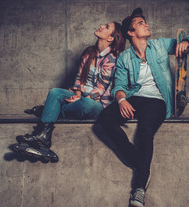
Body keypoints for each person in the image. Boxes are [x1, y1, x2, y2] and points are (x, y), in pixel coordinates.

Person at [97, 8, 189, 207]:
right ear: (130, 32)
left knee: (145, 131)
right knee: (105, 118)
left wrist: (187, 43)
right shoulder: (125, 58)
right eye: (139, 22)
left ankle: (139, 189)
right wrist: (121, 100)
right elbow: (118, 86)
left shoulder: (160, 45)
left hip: (157, 101)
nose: (145, 24)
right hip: (135, 99)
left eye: (144, 21)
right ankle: (137, 160)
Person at [15, 21, 126, 161]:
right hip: (81, 97)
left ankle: (49, 110)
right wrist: (77, 94)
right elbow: (79, 78)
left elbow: (100, 89)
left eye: (107, 27)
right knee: (55, 92)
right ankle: (43, 137)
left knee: (87, 104)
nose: (102, 26)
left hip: (97, 104)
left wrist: (81, 97)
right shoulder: (89, 52)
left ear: (110, 38)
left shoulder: (112, 58)